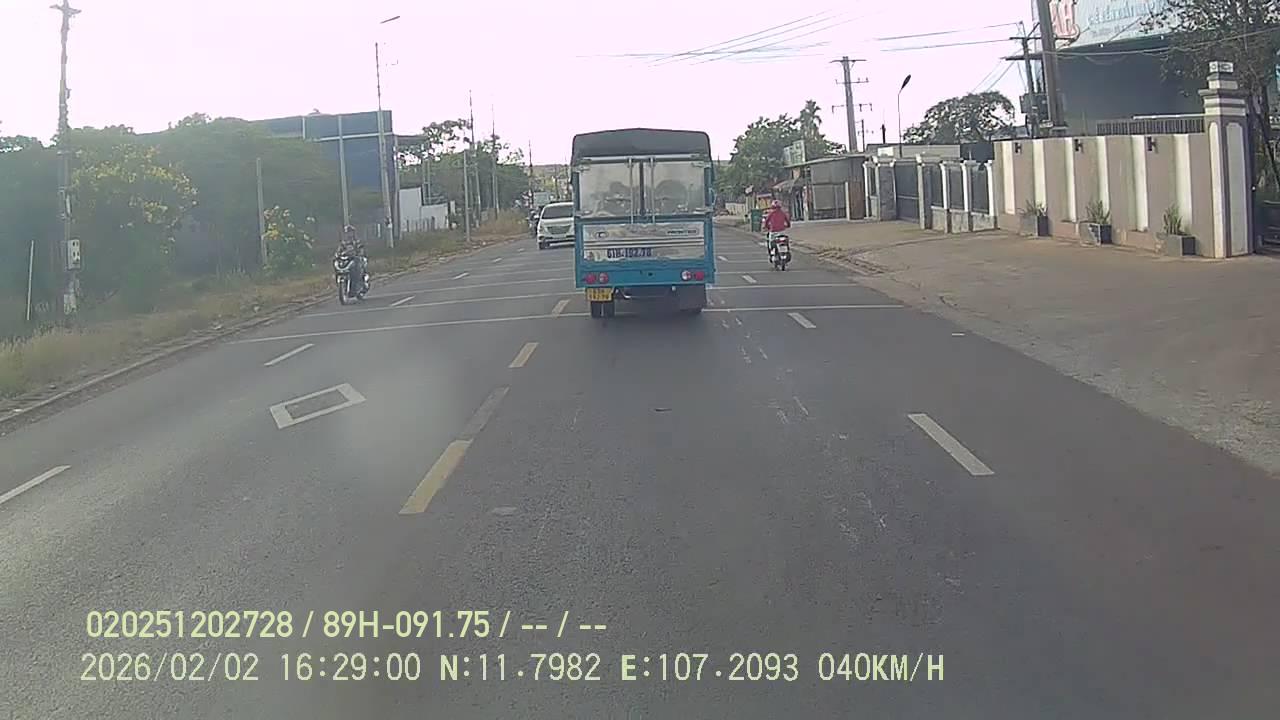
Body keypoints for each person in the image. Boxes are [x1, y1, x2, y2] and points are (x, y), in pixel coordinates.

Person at [339, 225, 369, 294]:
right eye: (347, 232)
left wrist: (359, 253)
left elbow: (361, 249)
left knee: (357, 270)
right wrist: (338, 255)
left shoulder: (356, 241)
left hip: (356, 259)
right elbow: (339, 250)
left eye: (350, 232)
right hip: (347, 260)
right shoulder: (343, 243)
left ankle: (359, 285)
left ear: (353, 232)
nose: (348, 234)